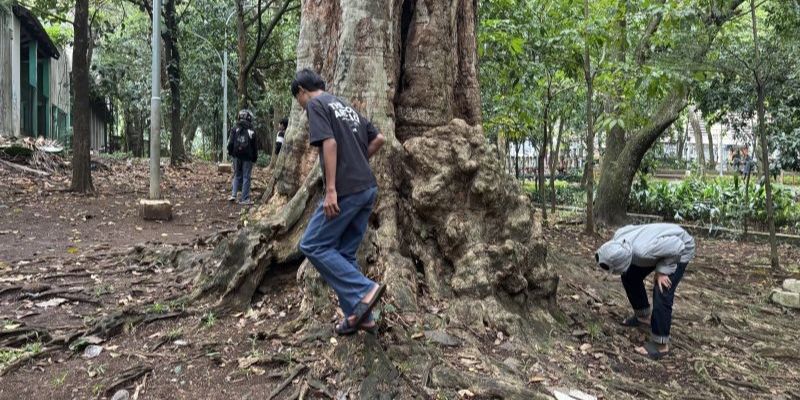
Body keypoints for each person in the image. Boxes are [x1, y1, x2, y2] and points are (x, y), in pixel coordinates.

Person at [292, 68, 387, 335]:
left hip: (345, 191)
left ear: (302, 91)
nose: (300, 107)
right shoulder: (343, 104)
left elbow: (329, 143)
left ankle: (365, 289)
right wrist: (357, 160)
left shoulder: (316, 105)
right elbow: (378, 138)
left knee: (312, 243)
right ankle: (360, 316)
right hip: (367, 187)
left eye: (297, 100)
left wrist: (331, 189)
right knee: (345, 253)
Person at [595, 223, 696, 359]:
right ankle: (643, 317)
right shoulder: (619, 237)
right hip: (660, 249)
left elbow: (677, 246)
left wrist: (662, 271)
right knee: (629, 276)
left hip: (680, 248)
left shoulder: (643, 251)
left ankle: (660, 345)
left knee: (662, 289)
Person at [227, 109, 258, 205]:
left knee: (237, 175)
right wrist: (254, 157)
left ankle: (233, 195)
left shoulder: (235, 128)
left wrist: (231, 152)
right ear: (249, 117)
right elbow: (254, 146)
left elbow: (231, 143)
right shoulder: (251, 130)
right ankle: (244, 198)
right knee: (246, 177)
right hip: (247, 157)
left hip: (236, 156)